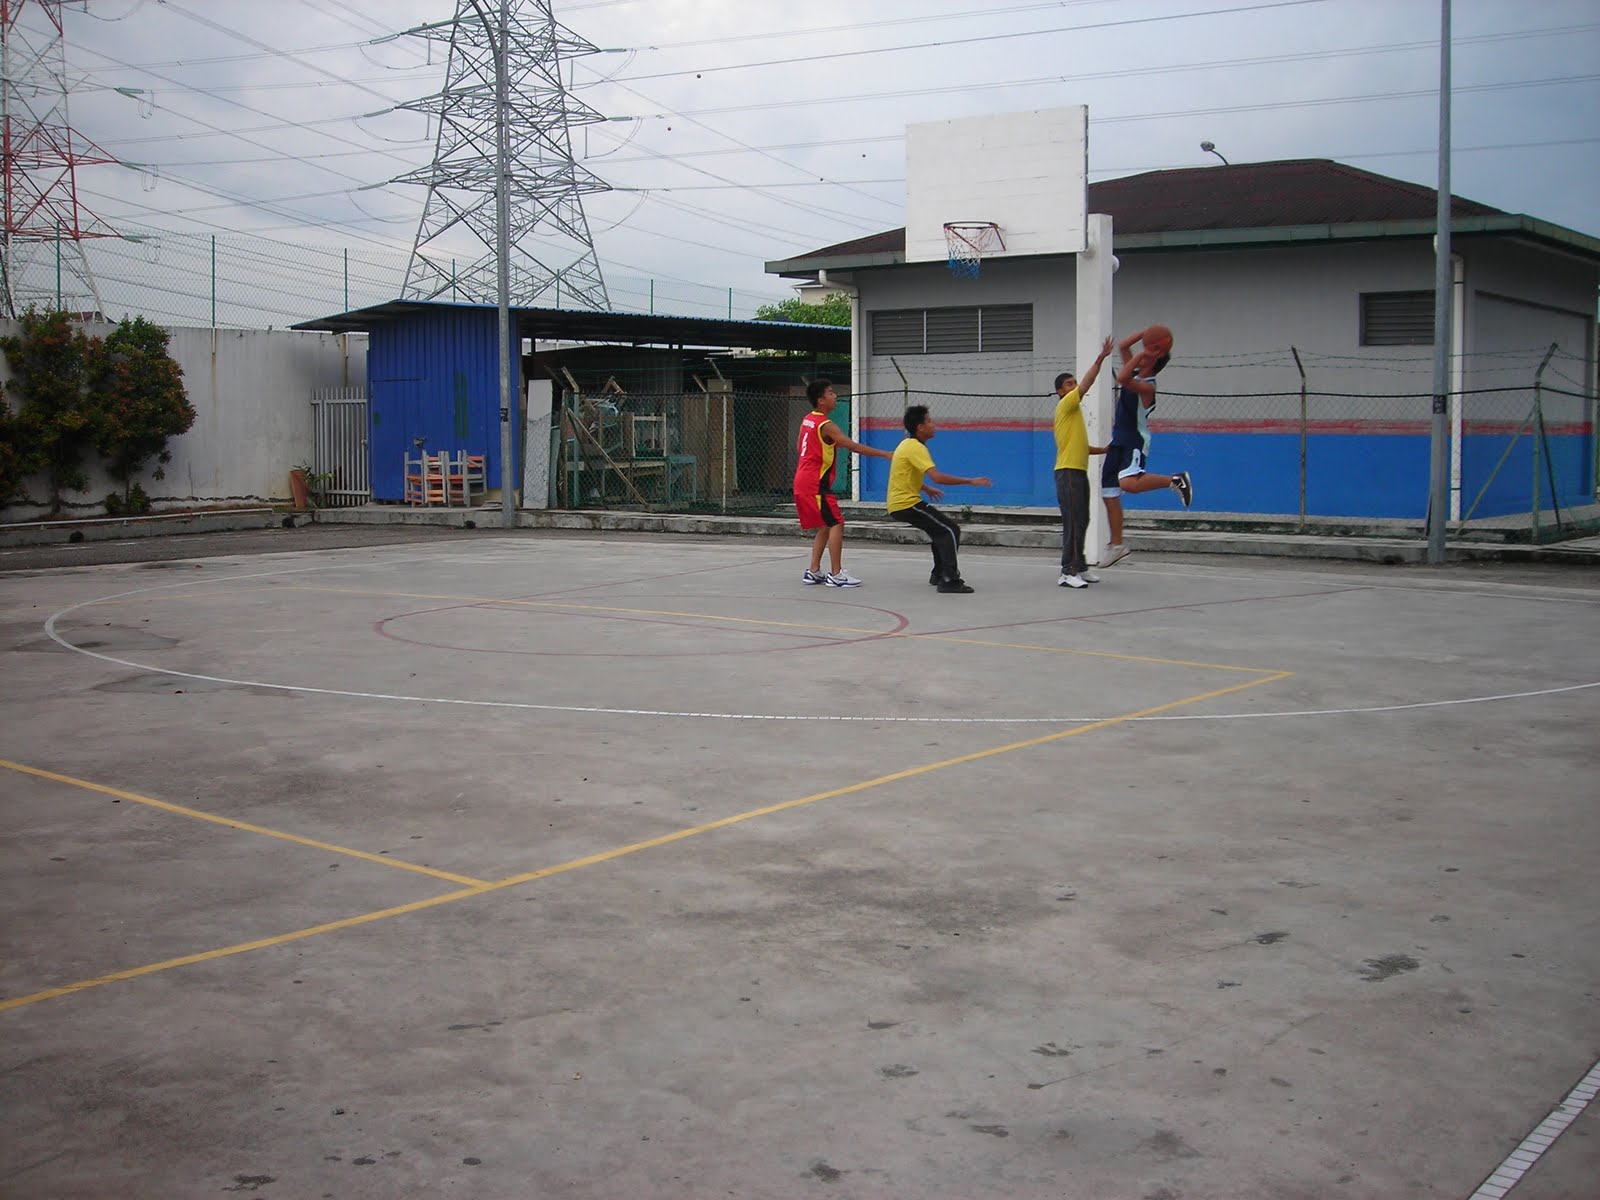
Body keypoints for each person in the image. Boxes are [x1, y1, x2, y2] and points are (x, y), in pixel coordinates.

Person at [1098, 326, 1193, 568]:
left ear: (1156, 357)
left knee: (1128, 483)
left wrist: (1145, 353)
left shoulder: (1148, 386)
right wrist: (1147, 334)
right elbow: (1122, 347)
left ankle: (1175, 480)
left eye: (1150, 351)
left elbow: (1122, 379)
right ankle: (1117, 545)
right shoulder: (1138, 371)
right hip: (1117, 440)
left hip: (1134, 440)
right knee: (1109, 493)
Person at [793, 378, 893, 587]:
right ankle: (836, 574)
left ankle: (813, 571)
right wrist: (884, 454)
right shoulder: (826, 425)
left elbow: (800, 447)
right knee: (836, 522)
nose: (834, 395)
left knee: (824, 526)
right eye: (830, 393)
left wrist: (824, 450)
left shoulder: (808, 420)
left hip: (802, 480)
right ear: (821, 400)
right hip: (815, 484)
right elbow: (852, 446)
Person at [887, 404, 992, 593]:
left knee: (940, 531)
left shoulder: (907, 444)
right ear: (920, 427)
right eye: (929, 421)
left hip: (901, 502)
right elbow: (938, 476)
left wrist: (926, 488)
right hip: (906, 504)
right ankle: (949, 580)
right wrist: (970, 481)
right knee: (950, 530)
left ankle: (938, 573)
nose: (933, 425)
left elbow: (904, 474)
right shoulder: (915, 447)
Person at [1052, 335, 1114, 589]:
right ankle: (1067, 571)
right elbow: (1087, 384)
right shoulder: (1067, 404)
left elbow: (1082, 447)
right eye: (1069, 383)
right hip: (1067, 472)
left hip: (1078, 471)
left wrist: (1104, 450)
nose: (1074, 385)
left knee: (1083, 519)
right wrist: (1100, 359)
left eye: (1074, 382)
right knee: (1073, 521)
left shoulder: (1074, 414)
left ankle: (1080, 566)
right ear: (1060, 391)